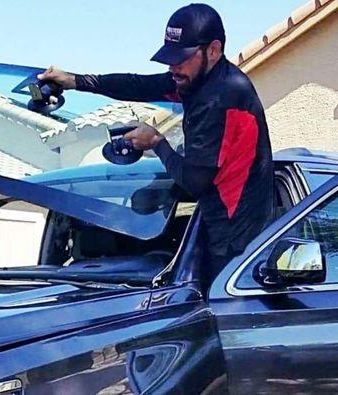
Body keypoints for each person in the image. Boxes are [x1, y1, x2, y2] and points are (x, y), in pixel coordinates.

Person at [38, 3, 275, 290]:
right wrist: (75, 81)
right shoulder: (195, 78)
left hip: (237, 245)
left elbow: (194, 182)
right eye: (170, 58)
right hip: (218, 229)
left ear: (213, 50)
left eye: (182, 58)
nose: (173, 67)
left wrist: (157, 143)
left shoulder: (221, 98)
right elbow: (137, 85)